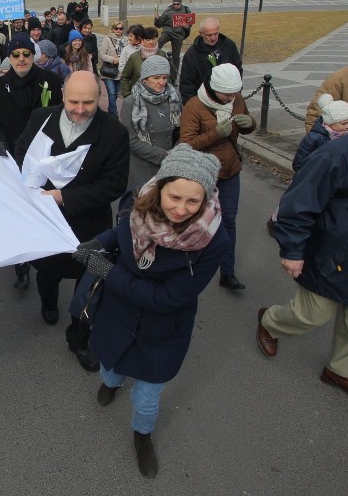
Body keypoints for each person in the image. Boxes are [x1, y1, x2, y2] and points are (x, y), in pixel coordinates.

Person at [75, 144, 228, 478]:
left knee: (146, 397)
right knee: (110, 367)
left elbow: (166, 299)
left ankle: (141, 435)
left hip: (162, 330)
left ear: (206, 198)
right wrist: (99, 243)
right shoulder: (135, 201)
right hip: (118, 314)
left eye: (193, 201)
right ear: (159, 187)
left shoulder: (214, 241)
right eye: (174, 197)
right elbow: (121, 232)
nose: (181, 209)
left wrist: (107, 271)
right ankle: (111, 384)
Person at [256, 93, 348, 406]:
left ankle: (338, 370)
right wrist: (293, 250)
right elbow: (298, 204)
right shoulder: (340, 153)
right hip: (334, 257)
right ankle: (269, 322)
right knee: (310, 316)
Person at [13, 71, 129, 371]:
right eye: (74, 101)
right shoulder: (41, 117)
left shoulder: (114, 132)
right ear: (62, 95)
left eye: (88, 102)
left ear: (99, 97)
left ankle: (79, 338)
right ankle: (49, 302)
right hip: (46, 225)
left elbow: (114, 185)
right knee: (48, 275)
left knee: (90, 285)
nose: (80, 109)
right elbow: (22, 153)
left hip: (89, 228)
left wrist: (65, 197)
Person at [0, 33, 64, 291]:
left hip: (44, 158)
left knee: (43, 209)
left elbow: (59, 118)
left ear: (34, 56)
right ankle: (21, 265)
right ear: (9, 58)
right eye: (16, 55)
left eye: (26, 54)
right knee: (18, 213)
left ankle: (46, 263)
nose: (21, 59)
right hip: (13, 158)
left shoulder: (50, 81)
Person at [179, 63, 255, 290]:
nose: (231, 97)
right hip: (203, 173)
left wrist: (250, 124)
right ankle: (188, 267)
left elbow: (247, 123)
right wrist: (215, 134)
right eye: (226, 93)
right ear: (213, 87)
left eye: (234, 92)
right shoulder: (194, 105)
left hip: (231, 170)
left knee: (229, 221)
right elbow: (186, 144)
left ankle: (227, 272)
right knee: (196, 222)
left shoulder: (237, 99)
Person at [266, 94, 348, 237]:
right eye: (344, 123)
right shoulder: (314, 138)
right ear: (331, 122)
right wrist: (310, 174)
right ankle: (275, 221)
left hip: (332, 180)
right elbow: (299, 162)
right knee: (292, 201)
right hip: (308, 178)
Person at [121, 56, 182, 189]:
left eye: (164, 78)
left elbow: (181, 130)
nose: (161, 82)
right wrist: (163, 155)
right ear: (144, 79)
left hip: (169, 166)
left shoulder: (174, 98)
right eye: (156, 78)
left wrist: (176, 151)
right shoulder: (130, 103)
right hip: (142, 170)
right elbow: (130, 140)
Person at [178, 17, 242, 105]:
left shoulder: (229, 46)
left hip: (229, 99)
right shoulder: (191, 54)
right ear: (201, 33)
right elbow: (187, 83)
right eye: (209, 35)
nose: (213, 38)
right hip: (203, 102)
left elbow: (238, 69)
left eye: (216, 34)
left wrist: (235, 92)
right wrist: (189, 105)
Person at [154, 0, 192, 85]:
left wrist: (187, 26)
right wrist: (157, 19)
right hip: (168, 31)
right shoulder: (168, 10)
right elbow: (159, 24)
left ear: (181, 3)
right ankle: (153, 54)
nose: (175, 6)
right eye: (174, 4)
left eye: (177, 4)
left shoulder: (186, 10)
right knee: (160, 40)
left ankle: (173, 78)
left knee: (176, 57)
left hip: (179, 34)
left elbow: (190, 22)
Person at [120, 27, 159, 98]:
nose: (151, 42)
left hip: (157, 97)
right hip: (136, 96)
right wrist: (127, 95)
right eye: (148, 39)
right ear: (142, 40)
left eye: (153, 39)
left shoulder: (162, 54)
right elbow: (124, 76)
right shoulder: (134, 57)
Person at [98, 21, 126, 118]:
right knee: (112, 92)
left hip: (121, 71)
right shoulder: (107, 39)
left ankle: (111, 109)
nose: (118, 30)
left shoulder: (126, 40)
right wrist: (113, 59)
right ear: (113, 29)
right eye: (116, 28)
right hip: (109, 71)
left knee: (117, 93)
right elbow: (101, 54)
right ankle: (114, 114)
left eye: (121, 28)